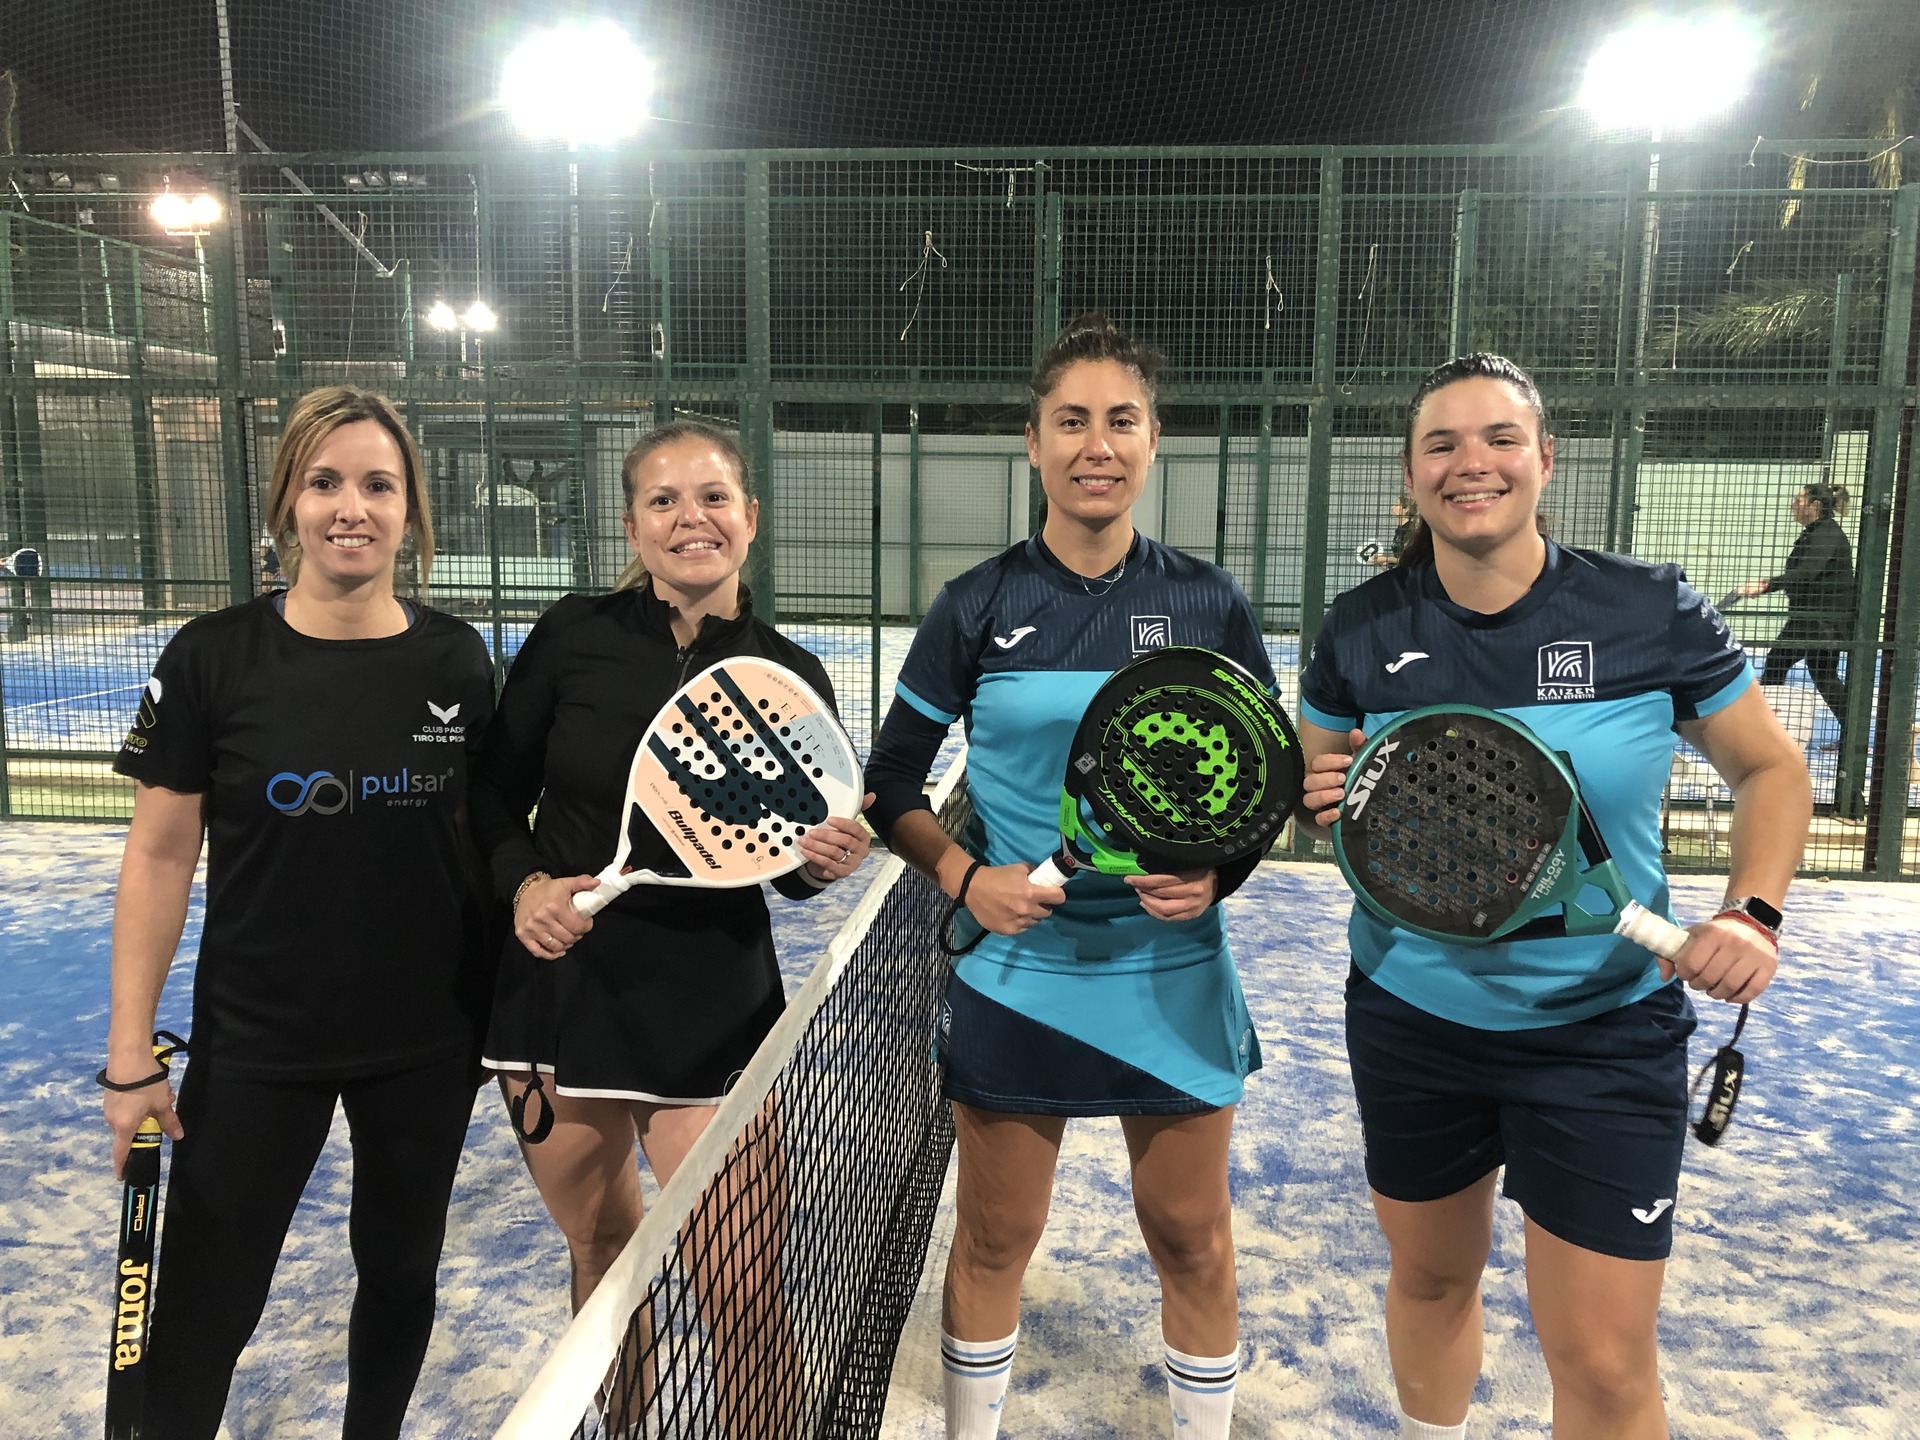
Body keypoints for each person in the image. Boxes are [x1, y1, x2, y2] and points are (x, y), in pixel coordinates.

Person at [1296, 354, 1811, 1439]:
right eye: (1441, 443)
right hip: (1413, 1018)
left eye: (1499, 438)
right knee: (1431, 1282)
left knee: (1606, 1363)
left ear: (1545, 458)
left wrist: (1752, 912)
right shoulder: (1360, 628)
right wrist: (1323, 803)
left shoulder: (1647, 608)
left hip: (1605, 1032)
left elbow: (1770, 768)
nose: (1470, 463)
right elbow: (1327, 793)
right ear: (1410, 473)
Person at [864, 313, 1278, 1440]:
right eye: (1071, 421)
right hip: (1020, 974)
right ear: (1033, 443)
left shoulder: (1208, 603)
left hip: (1171, 973)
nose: (1098, 445)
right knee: (997, 1237)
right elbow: (891, 780)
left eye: (1122, 420)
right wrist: (966, 880)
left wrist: (1219, 875)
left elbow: (1260, 780)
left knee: (1192, 1238)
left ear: (1155, 441)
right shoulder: (978, 603)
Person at [101, 386, 496, 1440]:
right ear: (288, 502)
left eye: (378, 485)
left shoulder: (458, 661)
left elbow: (486, 846)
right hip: (257, 1042)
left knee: (400, 1274)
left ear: (411, 509)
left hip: (426, 1043)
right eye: (324, 483)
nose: (351, 508)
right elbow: (159, 855)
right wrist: (130, 1052)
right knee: (205, 1304)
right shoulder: (211, 657)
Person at [468, 421, 873, 1420]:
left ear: (750, 518)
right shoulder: (572, 637)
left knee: (742, 1294)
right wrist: (525, 887)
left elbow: (786, 872)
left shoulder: (787, 676)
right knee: (603, 1257)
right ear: (633, 526)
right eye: (664, 500)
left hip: (713, 1011)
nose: (692, 518)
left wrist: (822, 864)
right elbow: (490, 794)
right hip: (558, 996)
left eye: (713, 497)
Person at [1732, 481, 1856, 743]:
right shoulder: (1817, 532)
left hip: (1819, 621)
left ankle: (1763, 732)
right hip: (1812, 618)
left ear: (1815, 506)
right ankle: (1854, 734)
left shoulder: (1825, 534)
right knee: (1819, 673)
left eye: (1799, 500)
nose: (1793, 505)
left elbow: (1805, 573)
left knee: (1781, 665)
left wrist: (1764, 585)